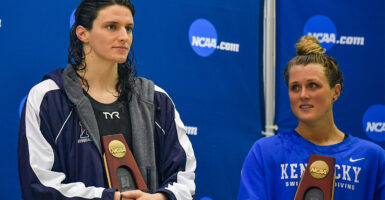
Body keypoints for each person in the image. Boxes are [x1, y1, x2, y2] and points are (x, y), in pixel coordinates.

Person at [18, 0, 196, 199]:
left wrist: (161, 198)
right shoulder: (48, 98)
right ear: (82, 33)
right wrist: (110, 198)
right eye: (111, 27)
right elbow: (40, 185)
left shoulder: (156, 100)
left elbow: (184, 177)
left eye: (128, 29)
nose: (123, 37)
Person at [237, 35, 385, 200]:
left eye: (312, 85)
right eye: (295, 87)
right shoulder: (265, 152)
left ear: (335, 91)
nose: (303, 95)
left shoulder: (372, 158)